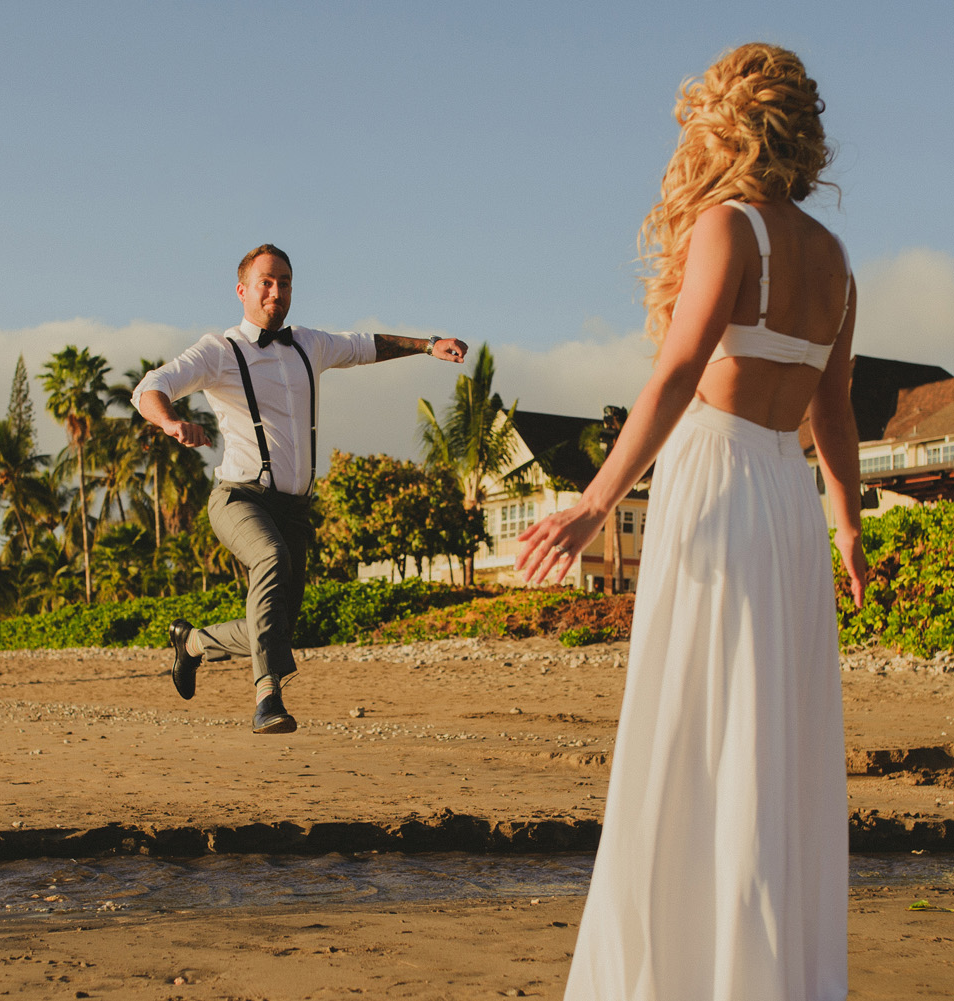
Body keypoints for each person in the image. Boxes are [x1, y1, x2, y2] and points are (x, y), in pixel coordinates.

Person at [514, 44, 868, 1000]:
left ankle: (687, 969)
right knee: (769, 731)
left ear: (727, 126)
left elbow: (674, 374)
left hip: (713, 483)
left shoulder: (730, 228)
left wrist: (594, 502)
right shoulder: (834, 260)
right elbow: (832, 411)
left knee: (693, 726)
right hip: (786, 497)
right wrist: (845, 519)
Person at [133, 244, 468, 733]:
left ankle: (192, 644)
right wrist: (170, 422)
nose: (276, 291)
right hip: (238, 497)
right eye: (266, 282)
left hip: (294, 508)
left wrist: (428, 343)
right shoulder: (220, 350)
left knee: (279, 627)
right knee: (270, 559)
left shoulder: (309, 344)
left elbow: (368, 345)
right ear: (242, 290)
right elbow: (150, 386)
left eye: (285, 282)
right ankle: (267, 699)